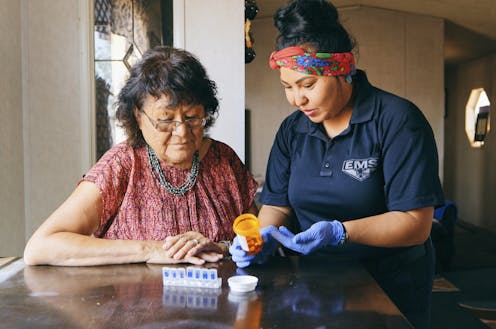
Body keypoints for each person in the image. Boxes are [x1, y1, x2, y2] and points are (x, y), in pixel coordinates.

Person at [230, 1, 444, 328]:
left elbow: (416, 224)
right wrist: (260, 239)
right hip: (313, 281)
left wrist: (339, 232)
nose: (297, 99)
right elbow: (277, 203)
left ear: (344, 72)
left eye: (308, 85)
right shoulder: (293, 129)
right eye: (288, 86)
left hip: (388, 284)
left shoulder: (398, 121)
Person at [24, 46, 258, 267]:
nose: (182, 132)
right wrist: (150, 250)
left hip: (217, 304)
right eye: (166, 120)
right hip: (135, 306)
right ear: (138, 115)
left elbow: (256, 239)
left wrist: (222, 248)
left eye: (192, 117)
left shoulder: (224, 160)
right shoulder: (122, 165)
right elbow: (41, 247)